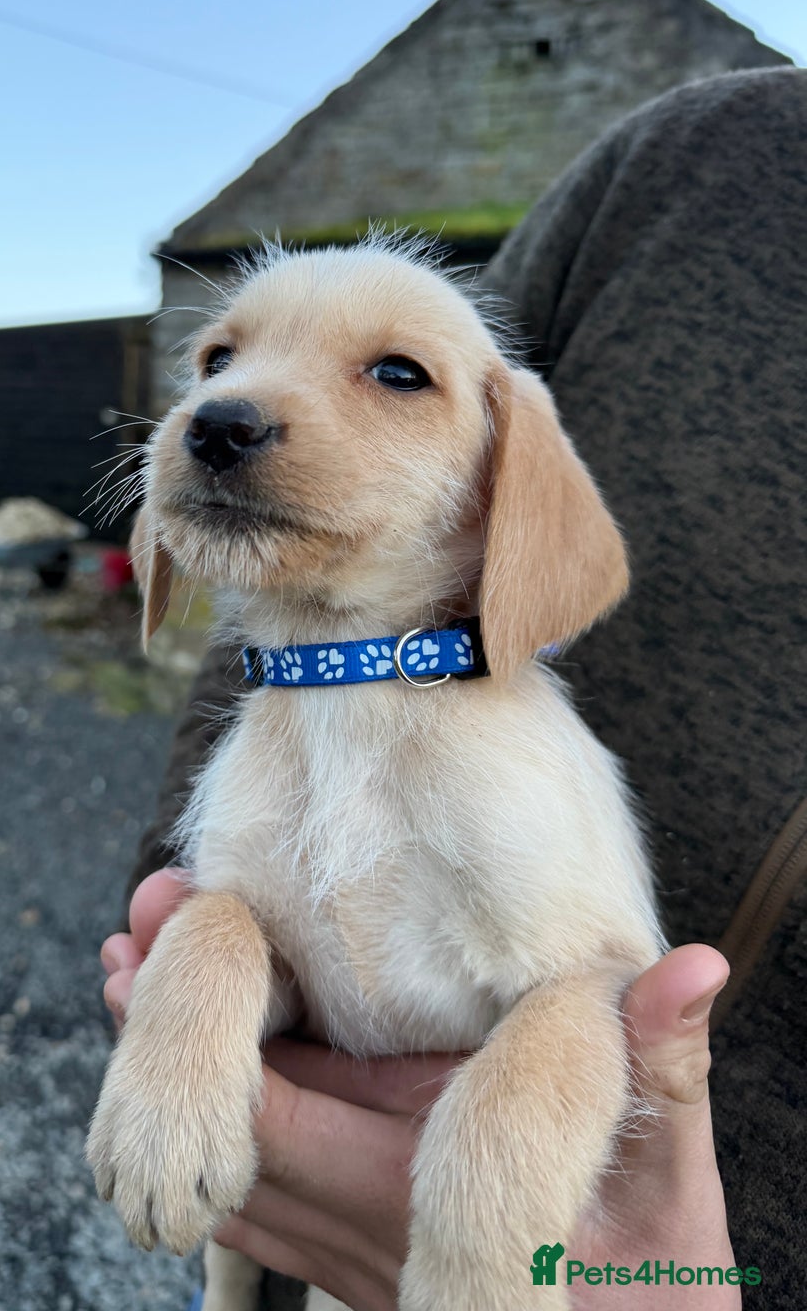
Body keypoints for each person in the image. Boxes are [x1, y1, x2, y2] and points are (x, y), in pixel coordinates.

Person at [106, 67, 807, 1308]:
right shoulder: (700, 157)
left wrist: (496, 1213)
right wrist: (204, 974)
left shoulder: (516, 761)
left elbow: (595, 996)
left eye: (393, 373)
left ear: (505, 481)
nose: (226, 407)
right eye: (219, 355)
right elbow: (229, 916)